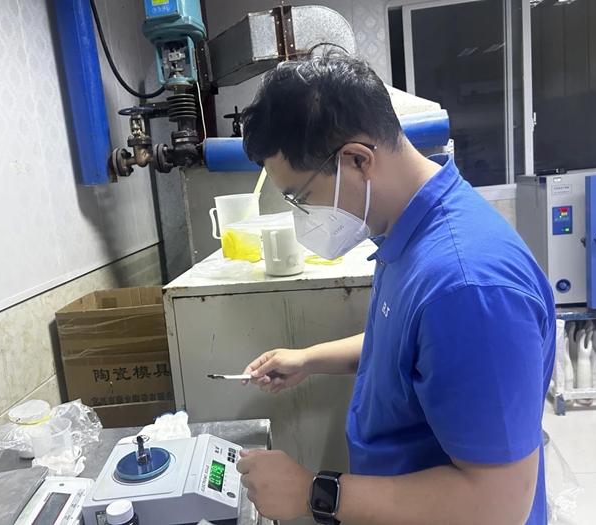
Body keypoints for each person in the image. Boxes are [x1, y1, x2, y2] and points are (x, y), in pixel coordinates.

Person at [235, 52, 555, 525]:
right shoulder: (408, 230)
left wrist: (313, 492)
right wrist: (309, 359)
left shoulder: (467, 287)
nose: (303, 216)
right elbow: (413, 348)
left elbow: (498, 504)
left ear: (357, 160)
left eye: (301, 197)